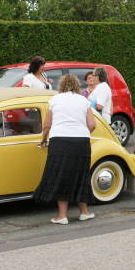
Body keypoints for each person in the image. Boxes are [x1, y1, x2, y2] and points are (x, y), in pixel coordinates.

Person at [34, 75, 97, 225]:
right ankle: (84, 212)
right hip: (81, 142)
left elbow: (47, 125)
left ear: (61, 86)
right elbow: (92, 124)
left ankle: (62, 216)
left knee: (62, 175)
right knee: (81, 175)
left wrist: (43, 139)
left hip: (59, 141)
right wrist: (82, 133)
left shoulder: (55, 100)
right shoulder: (83, 100)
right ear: (77, 85)